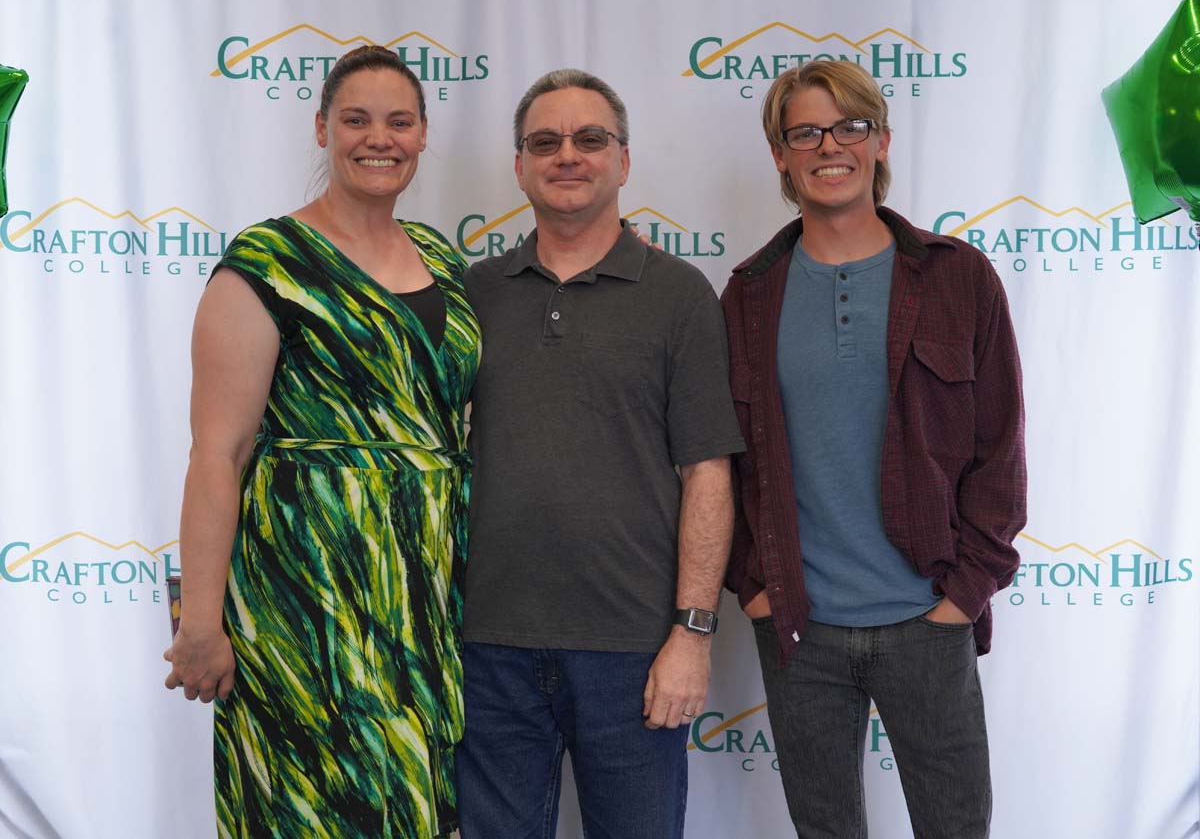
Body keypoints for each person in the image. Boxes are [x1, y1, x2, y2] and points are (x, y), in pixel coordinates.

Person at [162, 46, 479, 839]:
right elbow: (217, 453)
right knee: (307, 808)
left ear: (423, 133)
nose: (381, 138)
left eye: (399, 121)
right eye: (357, 120)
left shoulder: (443, 258)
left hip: (425, 590)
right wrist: (200, 620)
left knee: (414, 805)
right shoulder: (267, 263)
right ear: (322, 128)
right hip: (303, 593)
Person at [721, 60, 1026, 839]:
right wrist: (753, 587)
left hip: (928, 618)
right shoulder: (750, 294)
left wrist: (962, 599)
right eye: (806, 131)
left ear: (881, 141)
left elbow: (1002, 450)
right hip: (799, 626)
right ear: (781, 155)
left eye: (850, 126)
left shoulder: (959, 279)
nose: (830, 145)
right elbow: (719, 461)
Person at [455, 69, 744, 839]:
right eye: (544, 142)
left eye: (590, 139)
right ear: (519, 166)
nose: (567, 156)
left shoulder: (680, 295)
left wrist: (691, 632)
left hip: (634, 650)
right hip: (487, 647)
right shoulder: (471, 295)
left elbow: (708, 472)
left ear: (623, 159)